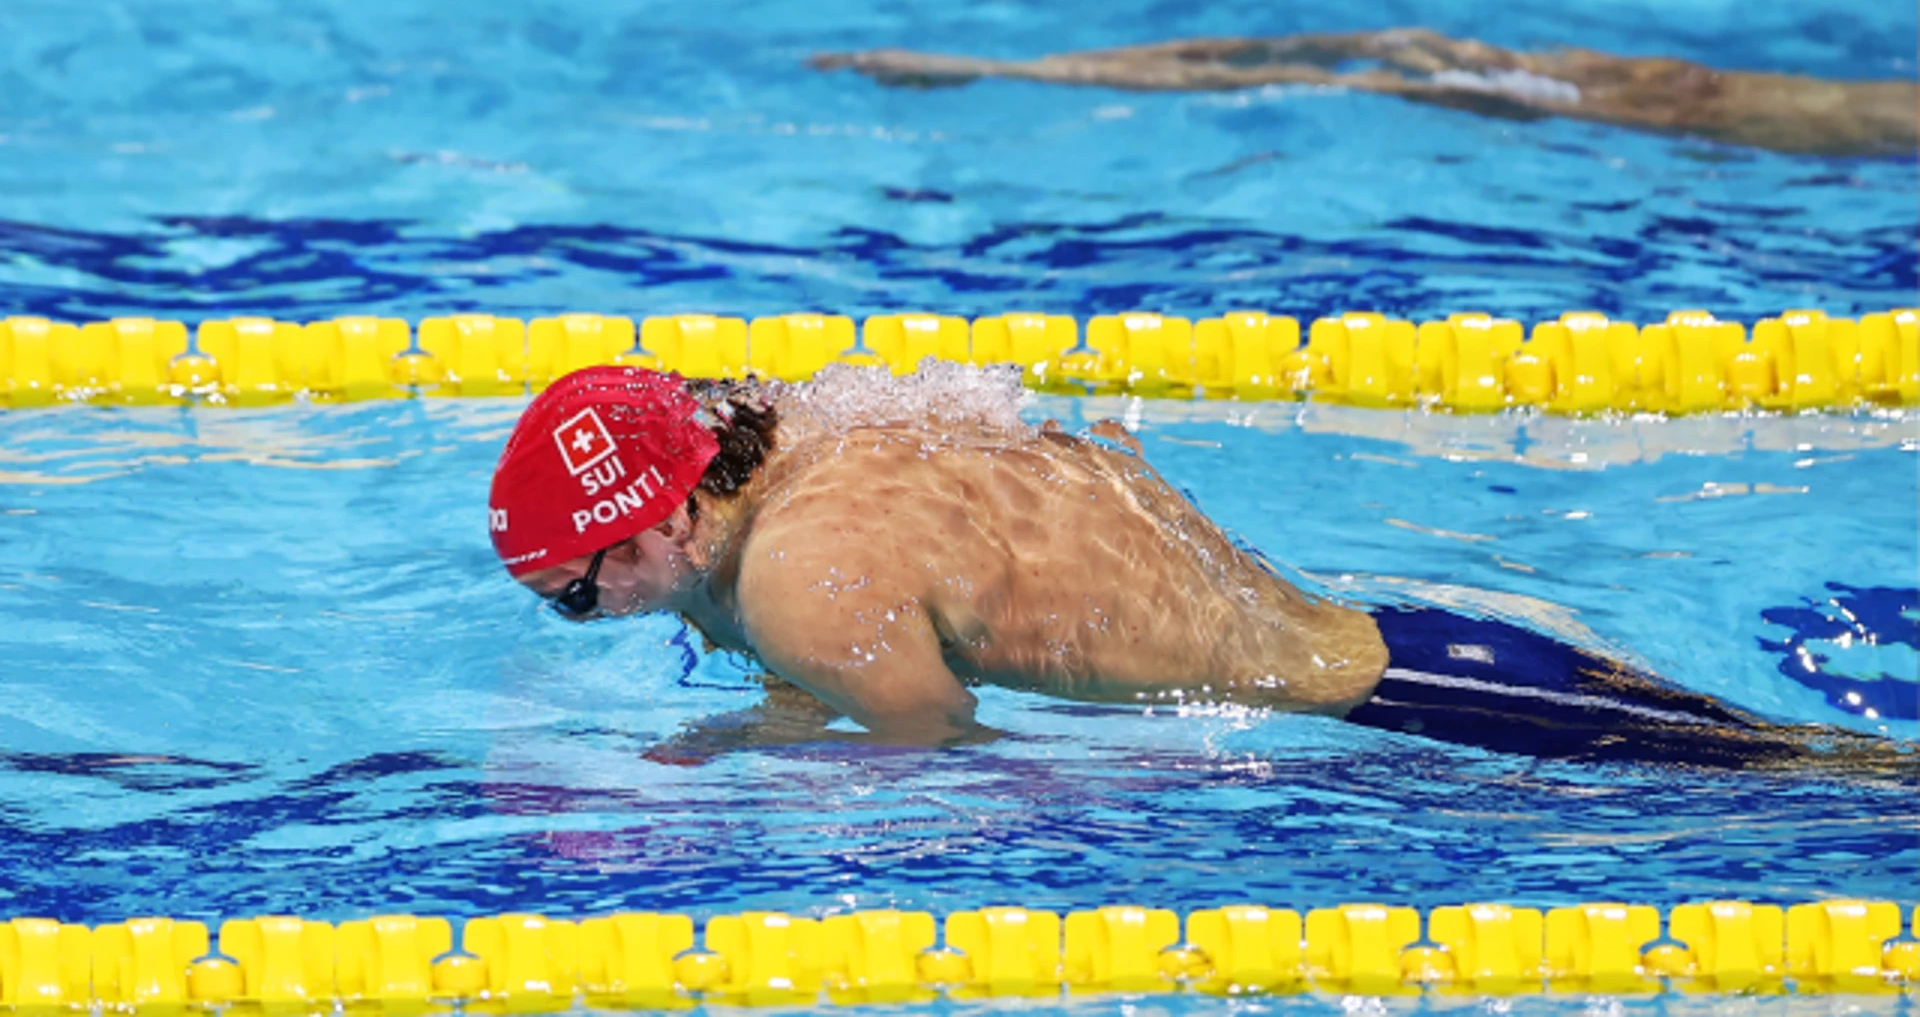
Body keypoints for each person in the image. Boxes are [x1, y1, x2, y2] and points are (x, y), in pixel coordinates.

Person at [487, 363, 1888, 768]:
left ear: (665, 520)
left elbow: (925, 731)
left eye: (577, 586)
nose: (582, 615)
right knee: (1786, 758)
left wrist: (744, 742)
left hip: (1429, 714)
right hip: (1411, 639)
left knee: (1816, 793)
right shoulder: (810, 432)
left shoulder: (799, 576)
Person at [809, 27, 1919, 156]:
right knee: (1369, 65)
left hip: (1710, 93)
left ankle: (1007, 67)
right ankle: (1004, 67)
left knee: (1383, 55)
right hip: (1683, 106)